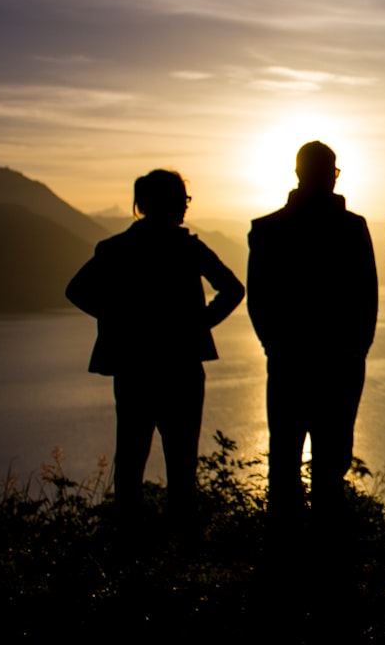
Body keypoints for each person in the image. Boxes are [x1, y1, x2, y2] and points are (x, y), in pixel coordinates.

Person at [66, 169, 244, 543]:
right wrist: (198, 325)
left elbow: (77, 291)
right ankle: (182, 546)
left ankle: (128, 543)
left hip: (133, 368)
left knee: (130, 460)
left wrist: (118, 319)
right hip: (181, 367)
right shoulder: (188, 248)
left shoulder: (115, 249)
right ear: (166, 203)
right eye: (181, 199)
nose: (184, 206)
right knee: (182, 464)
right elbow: (232, 289)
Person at [247, 141, 378, 539]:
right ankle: (326, 553)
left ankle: (283, 551)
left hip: (290, 362)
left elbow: (259, 302)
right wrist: (356, 352)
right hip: (337, 364)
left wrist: (276, 347)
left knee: (286, 460)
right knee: (329, 464)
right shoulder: (351, 227)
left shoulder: (267, 229)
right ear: (327, 173)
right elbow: (366, 299)